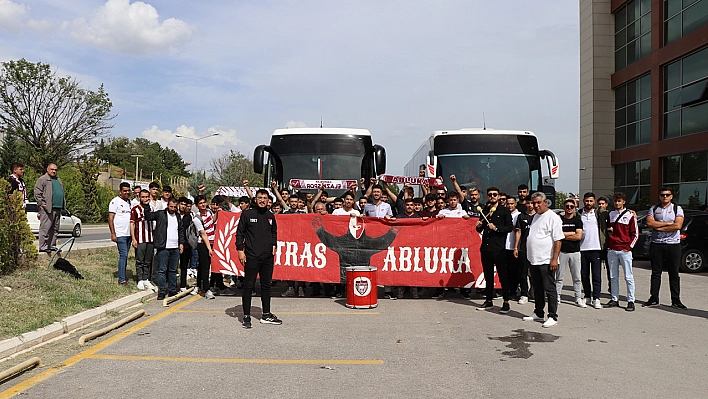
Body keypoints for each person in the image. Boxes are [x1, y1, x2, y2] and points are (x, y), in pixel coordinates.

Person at [237, 189, 280, 328]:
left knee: (266, 286)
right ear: (255, 199)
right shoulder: (247, 214)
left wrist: (274, 245)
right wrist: (240, 250)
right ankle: (246, 316)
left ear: (269, 201)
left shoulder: (270, 216)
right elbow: (240, 233)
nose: (262, 200)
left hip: (267, 257)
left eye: (265, 198)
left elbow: (274, 233)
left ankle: (266, 314)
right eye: (260, 197)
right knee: (248, 285)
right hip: (251, 256)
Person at [522, 192, 564, 328]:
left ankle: (553, 315)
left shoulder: (553, 217)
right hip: (534, 259)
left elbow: (558, 240)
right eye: (534, 203)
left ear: (545, 203)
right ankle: (538, 311)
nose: (536, 205)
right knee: (537, 288)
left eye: (539, 202)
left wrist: (554, 259)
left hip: (547, 260)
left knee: (549, 288)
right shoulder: (535, 217)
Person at [645, 187, 686, 309]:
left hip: (673, 244)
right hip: (656, 244)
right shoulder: (654, 208)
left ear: (671, 196)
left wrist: (659, 226)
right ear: (659, 196)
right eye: (662, 195)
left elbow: (678, 225)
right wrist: (668, 224)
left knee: (674, 273)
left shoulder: (677, 209)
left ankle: (676, 300)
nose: (665, 197)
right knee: (656, 273)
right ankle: (654, 298)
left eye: (667, 195)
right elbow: (650, 223)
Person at [475, 187, 513, 313]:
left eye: (494, 195)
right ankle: (489, 300)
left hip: (499, 249)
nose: (492, 196)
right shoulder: (485, 210)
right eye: (490, 195)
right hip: (485, 248)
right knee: (488, 276)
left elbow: (509, 227)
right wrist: (479, 226)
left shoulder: (504, 211)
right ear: (487, 196)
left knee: (503, 275)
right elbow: (480, 230)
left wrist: (496, 228)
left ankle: (506, 301)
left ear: (498, 196)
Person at [143, 197, 185, 300]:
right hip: (163, 247)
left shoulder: (178, 216)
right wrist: (147, 206)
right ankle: (161, 292)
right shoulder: (160, 214)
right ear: (167, 205)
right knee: (162, 270)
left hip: (175, 248)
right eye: (171, 206)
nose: (173, 209)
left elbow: (180, 230)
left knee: (173, 270)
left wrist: (181, 243)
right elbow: (148, 216)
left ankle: (172, 290)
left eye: (175, 207)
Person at [605, 192, 638, 311]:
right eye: (615, 201)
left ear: (624, 202)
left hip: (624, 250)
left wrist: (629, 247)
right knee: (613, 276)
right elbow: (608, 230)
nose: (617, 203)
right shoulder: (611, 214)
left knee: (628, 277)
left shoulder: (630, 215)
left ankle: (631, 300)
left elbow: (635, 234)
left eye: (619, 201)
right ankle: (614, 298)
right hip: (612, 249)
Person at [579, 192, 608, 309]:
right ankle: (587, 296)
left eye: (591, 201)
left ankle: (596, 298)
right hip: (582, 248)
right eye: (587, 201)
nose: (589, 203)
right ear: (583, 201)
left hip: (596, 248)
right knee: (584, 275)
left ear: (594, 202)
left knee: (596, 275)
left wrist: (631, 212)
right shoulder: (579, 213)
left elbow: (609, 214)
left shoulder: (598, 213)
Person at [556, 199, 584, 307]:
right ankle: (557, 296)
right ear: (564, 208)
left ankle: (578, 298)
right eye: (567, 206)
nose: (569, 208)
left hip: (575, 252)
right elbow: (557, 234)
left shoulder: (577, 220)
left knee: (577, 277)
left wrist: (564, 235)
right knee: (559, 276)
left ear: (575, 208)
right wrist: (571, 233)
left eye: (571, 206)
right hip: (562, 251)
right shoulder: (559, 220)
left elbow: (579, 236)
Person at [34, 163, 65, 253]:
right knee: (45, 227)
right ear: (47, 169)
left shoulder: (58, 180)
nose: (54, 171)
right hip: (47, 208)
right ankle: (43, 246)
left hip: (58, 208)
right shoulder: (43, 179)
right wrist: (41, 204)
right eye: (52, 169)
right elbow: (37, 192)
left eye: (55, 170)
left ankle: (52, 245)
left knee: (55, 228)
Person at [109, 182, 133, 285]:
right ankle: (121, 279)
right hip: (120, 234)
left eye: (128, 190)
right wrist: (113, 233)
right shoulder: (115, 202)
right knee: (123, 255)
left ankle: (123, 275)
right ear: (120, 191)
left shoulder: (130, 202)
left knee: (126, 255)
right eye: (125, 191)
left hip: (129, 234)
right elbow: (110, 218)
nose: (127, 192)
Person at [131, 189, 155, 291]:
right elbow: (131, 224)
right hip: (140, 238)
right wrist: (133, 238)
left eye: (147, 197)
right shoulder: (135, 209)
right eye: (143, 197)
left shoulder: (151, 209)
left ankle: (146, 279)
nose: (145, 199)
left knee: (148, 260)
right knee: (140, 260)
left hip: (150, 238)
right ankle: (140, 279)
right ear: (139, 197)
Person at [513, 196, 535, 304]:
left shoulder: (539, 216)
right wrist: (516, 247)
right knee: (523, 272)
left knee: (535, 272)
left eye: (532, 203)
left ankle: (534, 292)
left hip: (536, 249)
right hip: (524, 248)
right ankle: (524, 294)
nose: (530, 205)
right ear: (525, 204)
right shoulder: (521, 216)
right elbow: (518, 232)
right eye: (528, 203)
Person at [192, 195, 215, 298]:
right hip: (203, 244)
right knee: (205, 267)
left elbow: (212, 221)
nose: (203, 205)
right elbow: (203, 234)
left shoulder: (209, 212)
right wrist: (209, 249)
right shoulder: (197, 218)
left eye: (204, 202)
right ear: (197, 205)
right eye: (200, 203)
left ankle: (199, 285)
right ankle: (207, 289)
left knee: (202, 267)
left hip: (212, 241)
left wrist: (218, 212)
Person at [504, 197, 522, 300]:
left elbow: (519, 231)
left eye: (512, 203)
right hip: (504, 246)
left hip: (514, 247)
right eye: (508, 204)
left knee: (514, 272)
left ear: (515, 204)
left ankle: (513, 291)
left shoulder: (519, 216)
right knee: (505, 271)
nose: (510, 205)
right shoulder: (504, 214)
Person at [177, 197, 194, 291]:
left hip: (186, 244)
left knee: (184, 265)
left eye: (185, 205)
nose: (183, 206)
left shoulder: (188, 216)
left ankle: (183, 285)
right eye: (181, 204)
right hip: (174, 243)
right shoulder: (174, 215)